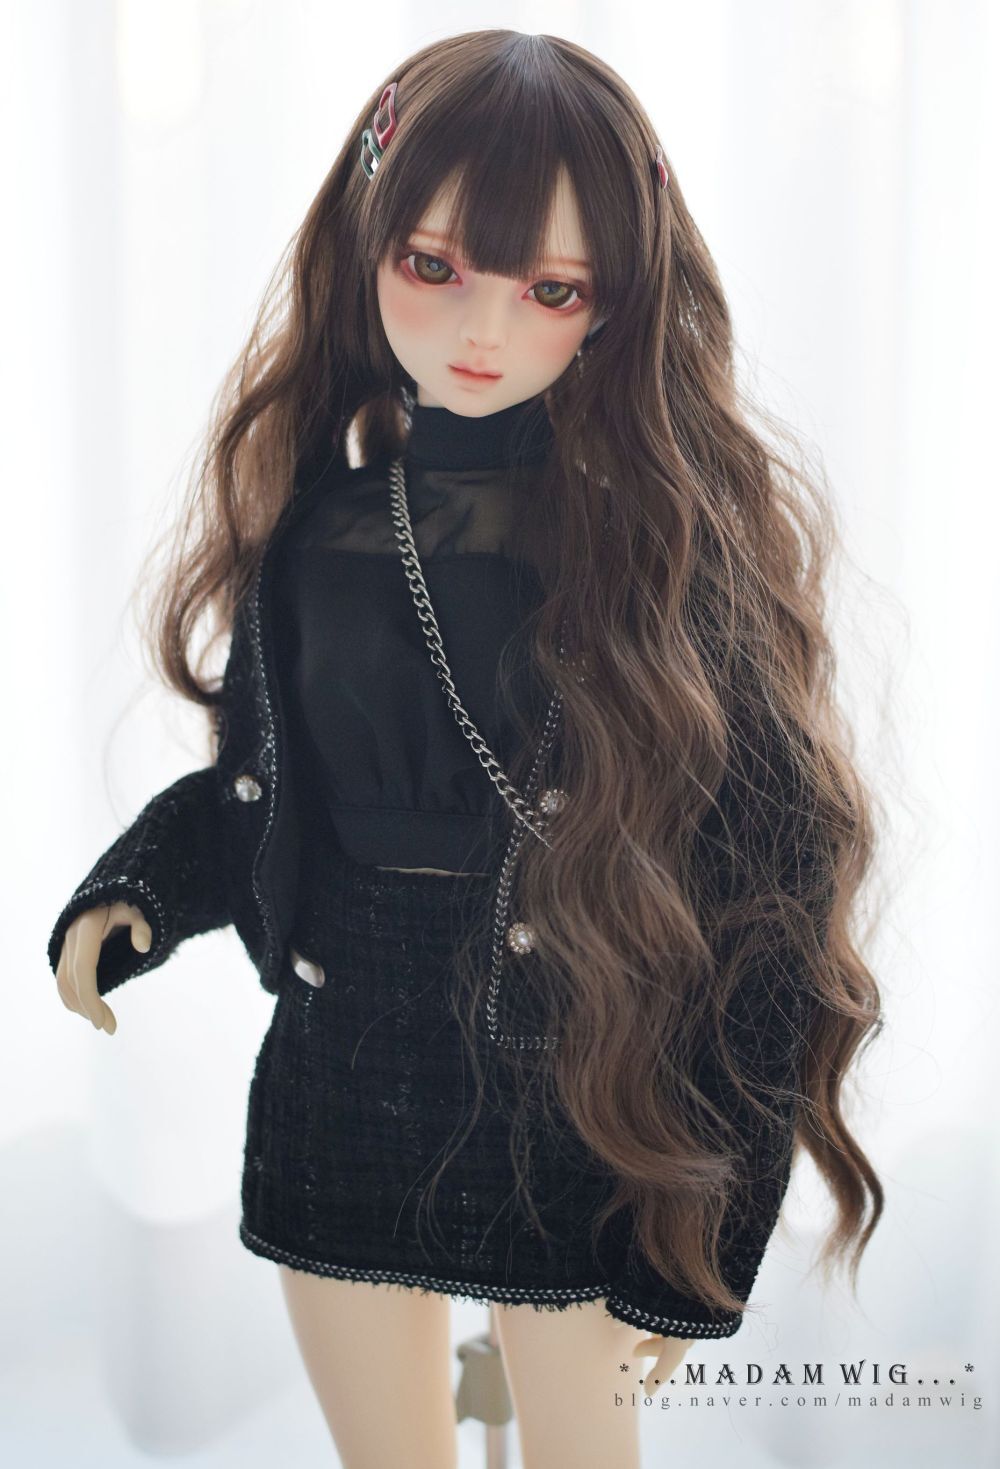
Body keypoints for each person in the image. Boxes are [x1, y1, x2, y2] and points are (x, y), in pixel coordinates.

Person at [47, 29, 884, 1469]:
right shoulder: (318, 529)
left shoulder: (663, 562)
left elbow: (771, 892)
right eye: (433, 266)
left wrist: (718, 1213)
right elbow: (265, 788)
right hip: (341, 1062)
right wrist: (143, 888)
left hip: (579, 1075)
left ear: (617, 303)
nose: (482, 328)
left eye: (551, 288)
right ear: (364, 246)